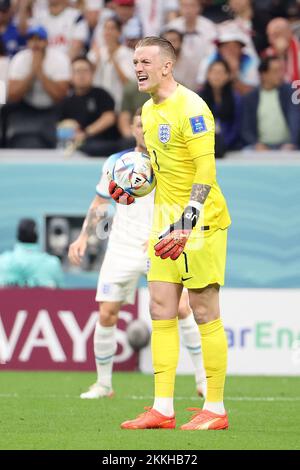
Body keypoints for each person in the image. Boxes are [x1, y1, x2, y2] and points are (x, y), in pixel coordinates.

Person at [109, 37, 231, 430]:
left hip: (199, 224)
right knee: (160, 309)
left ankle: (215, 409)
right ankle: (162, 407)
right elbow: (159, 167)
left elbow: (205, 172)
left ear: (167, 66)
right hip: (164, 224)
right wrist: (133, 186)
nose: (138, 68)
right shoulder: (147, 109)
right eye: (134, 62)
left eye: (145, 61)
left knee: (204, 312)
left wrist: (188, 220)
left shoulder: (193, 108)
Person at [68, 108, 206, 399]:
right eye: (139, 124)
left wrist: (165, 233)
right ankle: (104, 384)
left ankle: (202, 379)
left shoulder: (169, 162)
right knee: (107, 313)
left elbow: (183, 204)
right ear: (132, 128)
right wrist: (83, 237)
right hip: (121, 246)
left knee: (181, 308)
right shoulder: (116, 163)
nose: (143, 129)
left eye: (148, 124)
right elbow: (100, 204)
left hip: (158, 244)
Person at [6, 25, 70, 148]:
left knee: (52, 139)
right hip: (26, 106)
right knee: (21, 140)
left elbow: (60, 96)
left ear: (46, 42)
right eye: (31, 39)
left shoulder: (60, 59)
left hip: (53, 108)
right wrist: (32, 73)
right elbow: (13, 95)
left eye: (39, 39)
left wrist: (40, 71)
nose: (35, 43)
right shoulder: (19, 59)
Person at [58, 56, 118, 157]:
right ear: (71, 76)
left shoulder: (102, 94)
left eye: (85, 71)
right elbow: (59, 124)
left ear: (92, 74)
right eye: (77, 71)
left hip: (104, 142)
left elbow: (109, 118)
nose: (82, 75)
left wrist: (86, 133)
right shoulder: (65, 101)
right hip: (75, 144)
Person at [241, 56, 300, 150]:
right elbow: (245, 128)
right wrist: (256, 144)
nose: (280, 75)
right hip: (260, 147)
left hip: (287, 146)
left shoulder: (290, 92)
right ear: (263, 74)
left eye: (281, 71)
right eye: (275, 71)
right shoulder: (250, 97)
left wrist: (292, 143)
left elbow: (296, 119)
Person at [0, 218, 64, 287]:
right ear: (37, 237)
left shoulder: (2, 261)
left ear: (18, 236)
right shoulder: (52, 263)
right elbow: (61, 293)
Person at [199, 59, 243, 156]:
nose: (216, 76)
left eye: (220, 73)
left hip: (232, 148)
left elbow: (237, 126)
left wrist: (223, 144)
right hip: (203, 148)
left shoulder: (236, 98)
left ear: (227, 76)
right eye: (213, 72)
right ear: (207, 75)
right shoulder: (197, 98)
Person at [263, 17, 300, 83]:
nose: (270, 40)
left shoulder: (298, 50)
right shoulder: (268, 54)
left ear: (288, 33)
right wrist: (280, 55)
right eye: (269, 36)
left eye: (276, 35)